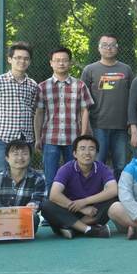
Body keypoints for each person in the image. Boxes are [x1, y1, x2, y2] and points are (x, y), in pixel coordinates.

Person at [34, 47, 93, 188]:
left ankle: (73, 202)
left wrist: (83, 136)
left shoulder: (80, 85)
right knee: (50, 179)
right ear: (51, 63)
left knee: (74, 177)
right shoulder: (42, 87)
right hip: (50, 138)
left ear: (70, 63)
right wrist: (37, 138)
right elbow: (39, 113)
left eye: (65, 60)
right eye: (57, 60)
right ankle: (50, 203)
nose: (61, 63)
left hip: (73, 138)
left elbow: (85, 111)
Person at [41, 134, 117, 239]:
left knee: (114, 198)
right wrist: (81, 208)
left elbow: (113, 190)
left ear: (96, 153)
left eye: (91, 149)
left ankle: (72, 228)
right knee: (46, 205)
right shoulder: (66, 169)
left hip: (92, 212)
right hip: (69, 211)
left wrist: (84, 202)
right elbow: (54, 194)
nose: (87, 153)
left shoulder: (102, 168)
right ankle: (88, 229)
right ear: (75, 153)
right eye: (82, 148)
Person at [81, 34, 134, 178]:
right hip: (98, 126)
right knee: (97, 164)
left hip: (121, 127)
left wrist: (131, 123)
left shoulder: (126, 69)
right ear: (99, 48)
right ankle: (97, 191)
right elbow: (83, 101)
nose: (108, 48)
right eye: (104, 45)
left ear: (117, 48)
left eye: (112, 45)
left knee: (121, 166)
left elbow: (133, 99)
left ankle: (119, 191)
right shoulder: (89, 70)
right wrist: (85, 126)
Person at [0, 42, 39, 172]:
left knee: (24, 175)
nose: (22, 61)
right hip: (3, 139)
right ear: (10, 59)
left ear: (30, 61)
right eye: (18, 58)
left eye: (26, 58)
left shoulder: (33, 85)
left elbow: (33, 111)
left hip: (25, 139)